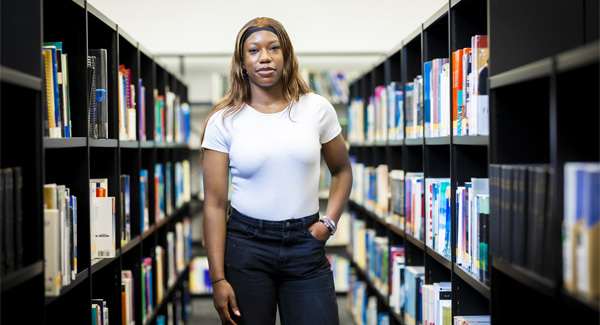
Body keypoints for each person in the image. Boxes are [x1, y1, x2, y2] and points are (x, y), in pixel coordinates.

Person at [200, 17, 353, 325]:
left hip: (306, 244)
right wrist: (217, 279)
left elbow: (342, 171)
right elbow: (214, 205)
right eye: (253, 50)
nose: (265, 57)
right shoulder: (223, 121)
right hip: (246, 246)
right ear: (242, 62)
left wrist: (329, 223)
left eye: (274, 48)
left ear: (287, 56)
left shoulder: (316, 108)